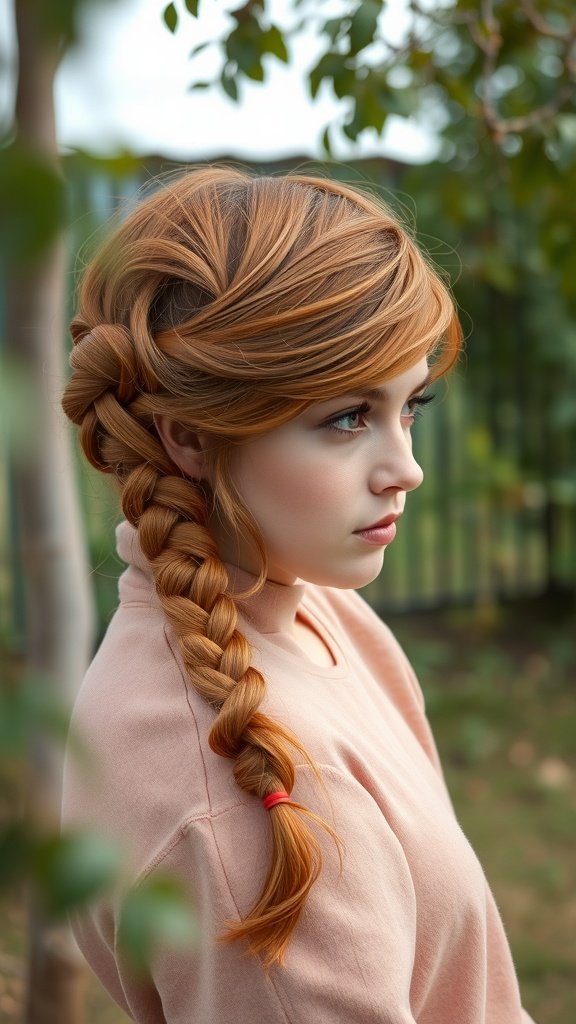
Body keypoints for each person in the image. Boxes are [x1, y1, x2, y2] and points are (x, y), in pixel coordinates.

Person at [61, 167, 535, 1023]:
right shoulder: (246, 815)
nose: (408, 470)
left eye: (410, 406)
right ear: (190, 437)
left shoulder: (318, 609)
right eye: (349, 417)